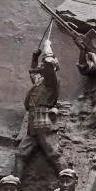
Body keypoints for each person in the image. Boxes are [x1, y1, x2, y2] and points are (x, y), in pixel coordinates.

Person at [15, 45, 64, 177]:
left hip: (42, 116)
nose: (41, 65)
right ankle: (14, 183)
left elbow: (49, 63)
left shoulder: (52, 82)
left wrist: (47, 47)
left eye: (43, 64)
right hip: (33, 118)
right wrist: (34, 57)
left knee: (52, 152)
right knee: (20, 154)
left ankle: (67, 177)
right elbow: (33, 72)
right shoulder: (40, 81)